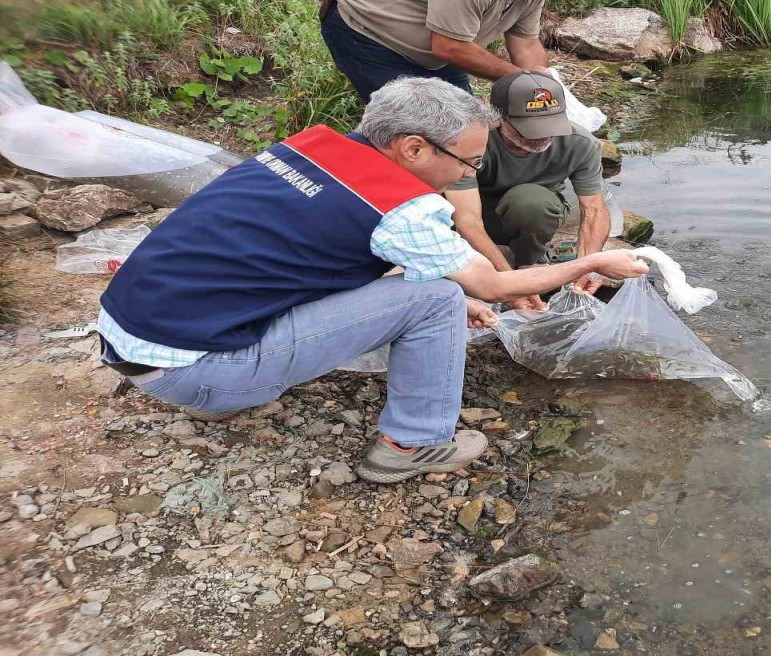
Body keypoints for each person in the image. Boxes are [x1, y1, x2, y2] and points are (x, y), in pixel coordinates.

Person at [95, 78, 648, 484]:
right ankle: (411, 444)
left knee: (438, 289)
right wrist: (589, 264)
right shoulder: (401, 209)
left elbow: (329, 247)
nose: (467, 174)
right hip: (195, 374)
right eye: (467, 162)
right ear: (412, 147)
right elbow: (496, 288)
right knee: (437, 297)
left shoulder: (308, 148)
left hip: (130, 336)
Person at [445, 71, 611, 308]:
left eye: (549, 124)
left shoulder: (580, 143)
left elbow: (594, 209)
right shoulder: (471, 141)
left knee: (531, 202)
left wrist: (590, 266)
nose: (542, 135)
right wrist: (508, 284)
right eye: (529, 127)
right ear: (497, 117)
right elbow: (467, 219)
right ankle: (498, 263)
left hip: (533, 213)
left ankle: (529, 260)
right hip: (473, 213)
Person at [320, 0, 549, 101]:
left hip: (441, 49)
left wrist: (544, 87)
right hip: (370, 35)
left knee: (463, 122)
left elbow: (526, 45)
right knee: (410, 129)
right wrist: (520, 79)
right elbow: (449, 46)